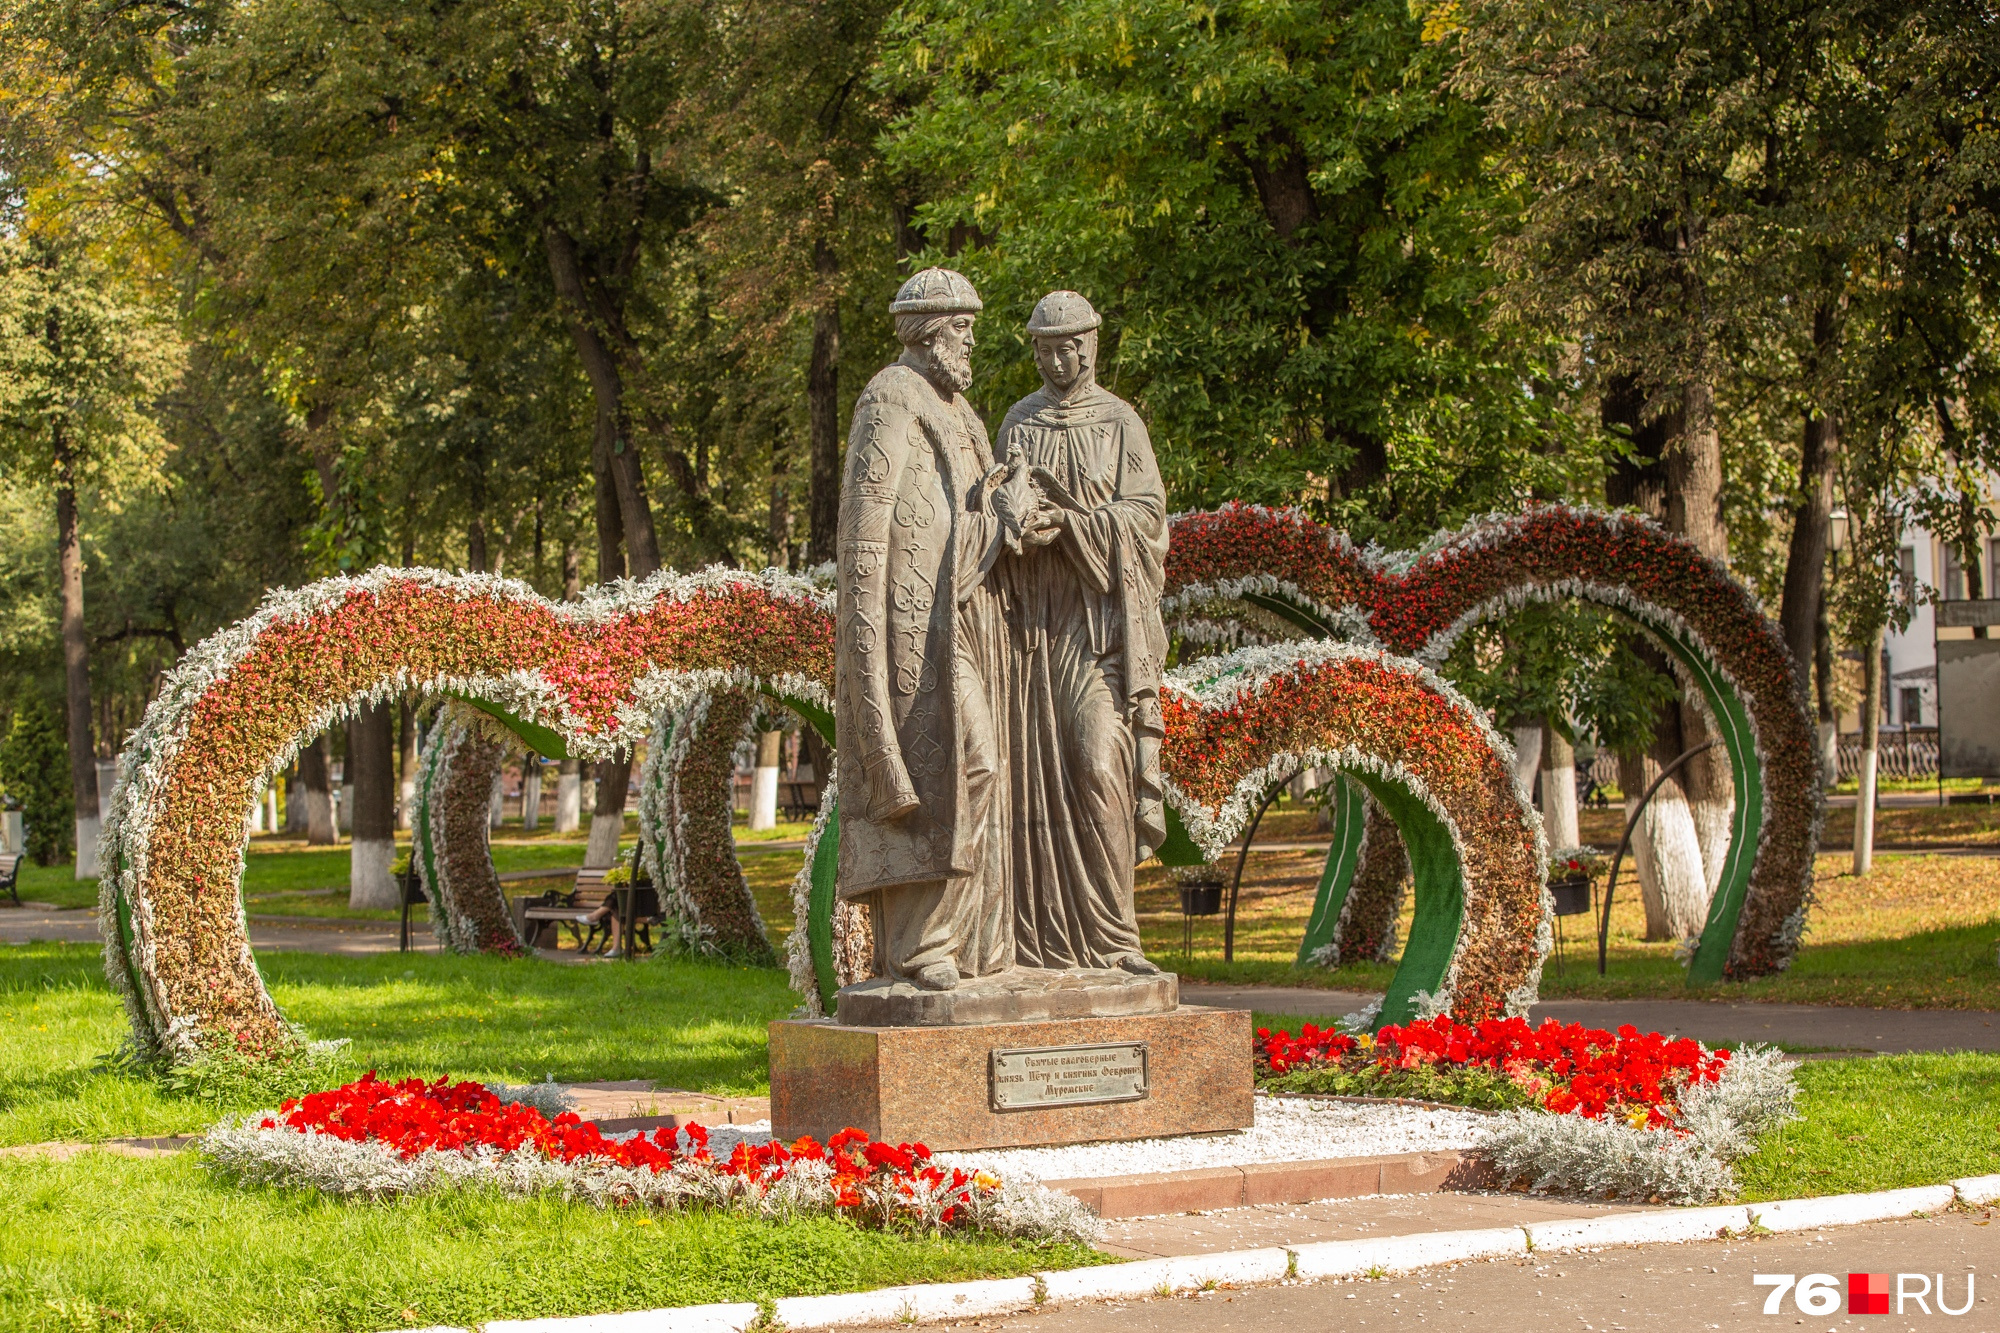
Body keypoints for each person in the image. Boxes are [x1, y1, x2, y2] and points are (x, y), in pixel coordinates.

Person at [832, 268, 1024, 992]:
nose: (971, 342)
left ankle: (967, 944)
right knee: (956, 765)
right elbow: (867, 531)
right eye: (962, 329)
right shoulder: (890, 396)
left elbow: (972, 513)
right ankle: (919, 946)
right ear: (928, 332)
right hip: (915, 629)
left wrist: (1009, 514)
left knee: (983, 770)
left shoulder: (963, 412)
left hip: (969, 617)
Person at [997, 291, 1168, 974]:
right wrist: (1015, 521)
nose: (1050, 356)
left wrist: (1074, 523)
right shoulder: (1018, 421)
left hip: (1099, 630)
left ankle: (1116, 940)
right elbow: (996, 502)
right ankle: (1038, 945)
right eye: (1040, 345)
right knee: (1035, 782)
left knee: (1100, 764)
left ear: (1087, 347)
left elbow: (1148, 516)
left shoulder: (1120, 423)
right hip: (1034, 633)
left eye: (1061, 344)